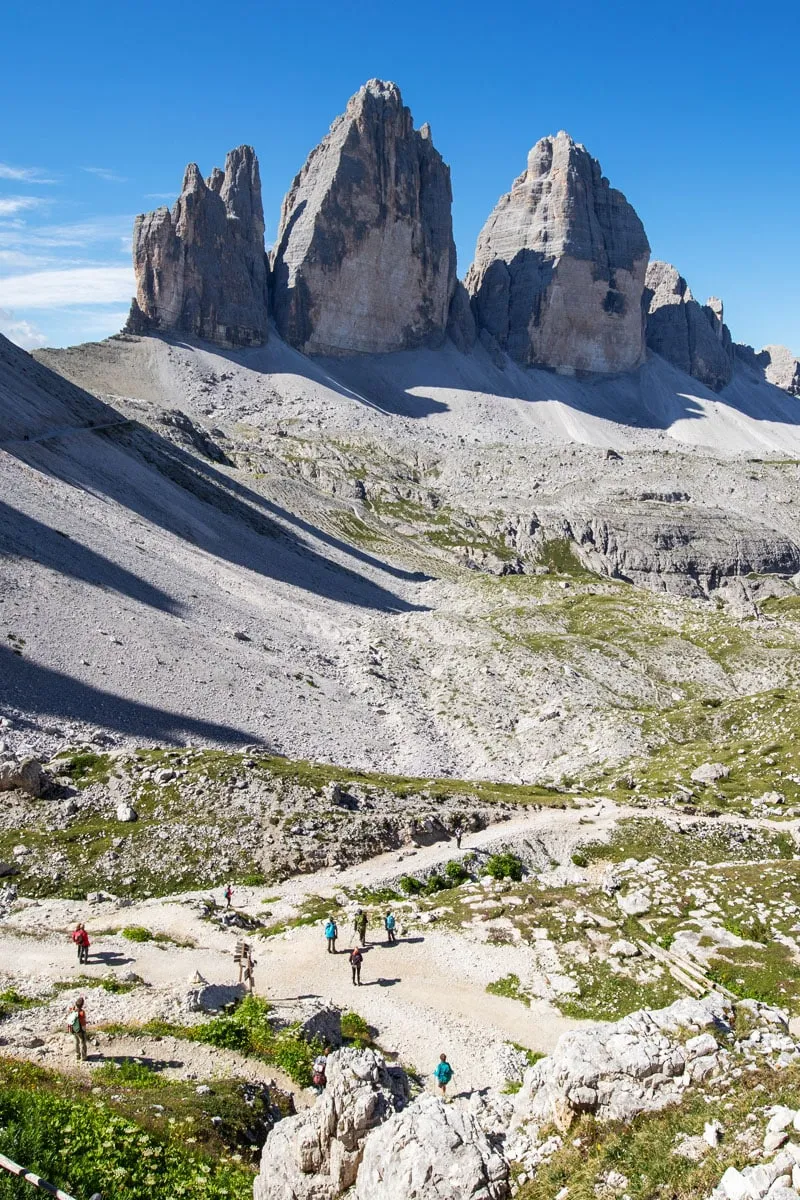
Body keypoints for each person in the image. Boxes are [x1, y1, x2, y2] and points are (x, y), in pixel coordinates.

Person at [68, 997, 88, 1062]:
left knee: (76, 1042)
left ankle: (77, 1056)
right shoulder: (82, 1012)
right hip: (80, 1030)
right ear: (82, 1004)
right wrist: (84, 1030)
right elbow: (83, 1022)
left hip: (73, 1029)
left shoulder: (72, 1011)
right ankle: (83, 1057)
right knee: (83, 1042)